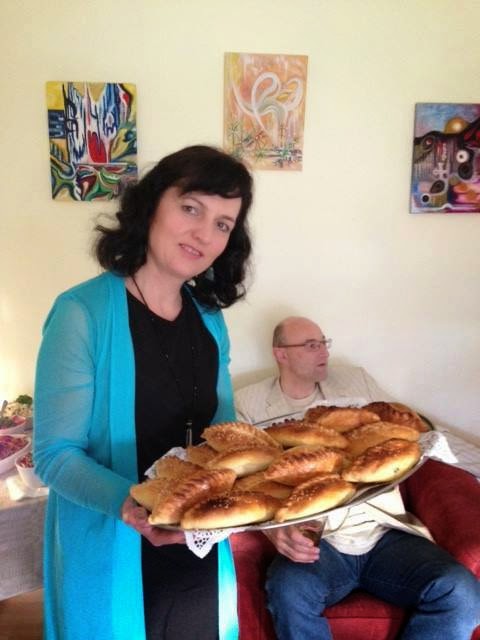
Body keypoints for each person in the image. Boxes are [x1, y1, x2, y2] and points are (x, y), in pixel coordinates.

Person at [34, 145, 254, 640]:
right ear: (152, 204)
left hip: (198, 550)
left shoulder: (209, 320)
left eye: (223, 223)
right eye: (191, 207)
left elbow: (223, 439)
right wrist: (133, 504)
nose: (204, 233)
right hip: (113, 546)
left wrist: (268, 502)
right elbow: (55, 455)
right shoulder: (81, 313)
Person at [234, 316, 480, 640]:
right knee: (288, 590)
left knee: (460, 592)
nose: (324, 352)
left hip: (385, 532)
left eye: (324, 342)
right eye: (311, 345)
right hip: (317, 542)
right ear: (281, 354)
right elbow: (244, 484)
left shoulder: (355, 383)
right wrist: (273, 531)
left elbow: (417, 433)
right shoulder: (249, 405)